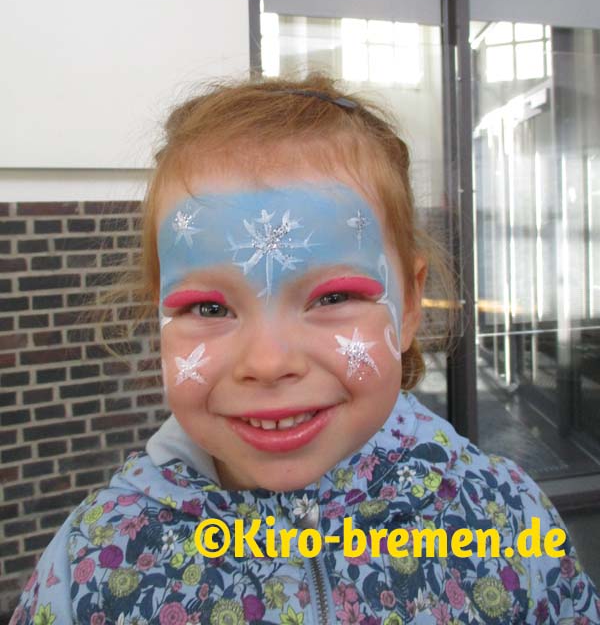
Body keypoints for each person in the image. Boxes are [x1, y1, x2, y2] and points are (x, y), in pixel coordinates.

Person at [11, 76, 599, 625]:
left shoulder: (505, 519)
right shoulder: (92, 562)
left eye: (333, 297)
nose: (268, 363)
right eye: (209, 308)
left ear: (410, 304)